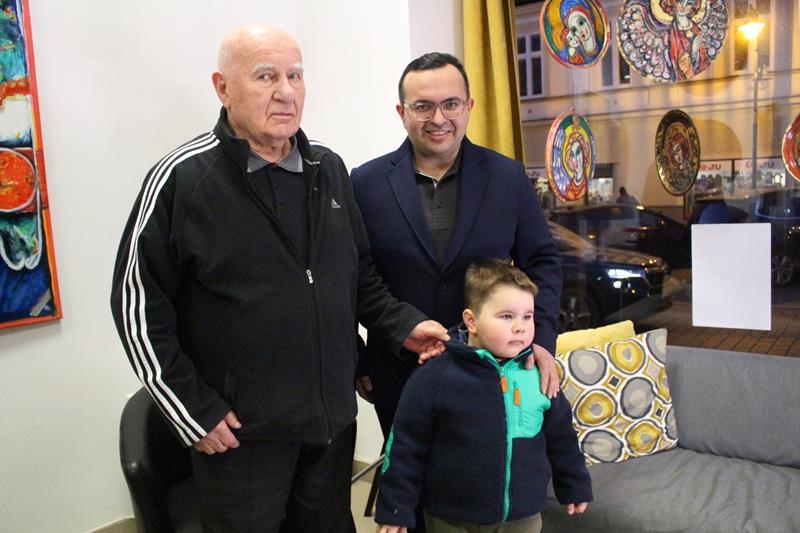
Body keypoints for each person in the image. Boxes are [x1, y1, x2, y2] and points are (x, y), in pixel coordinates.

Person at [109, 26, 449, 532]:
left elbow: (358, 277)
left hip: (330, 426)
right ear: (223, 88)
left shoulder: (328, 168)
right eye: (266, 76)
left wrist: (403, 325)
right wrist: (193, 410)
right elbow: (136, 306)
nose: (286, 92)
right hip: (241, 437)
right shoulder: (182, 178)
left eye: (295, 76)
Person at [351, 52, 562, 531]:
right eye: (422, 106)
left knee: (477, 500)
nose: (438, 118)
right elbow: (354, 275)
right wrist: (365, 355)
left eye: (450, 104)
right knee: (408, 498)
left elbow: (543, 262)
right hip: (399, 371)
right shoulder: (364, 183)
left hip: (491, 376)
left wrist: (542, 340)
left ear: (469, 106)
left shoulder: (507, 177)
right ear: (401, 112)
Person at [375, 258, 593, 533]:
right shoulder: (435, 377)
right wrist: (395, 509)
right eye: (507, 316)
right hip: (451, 518)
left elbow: (561, 436)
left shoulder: (539, 376)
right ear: (471, 321)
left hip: (523, 517)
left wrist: (574, 484)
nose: (520, 327)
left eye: (527, 316)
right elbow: (406, 446)